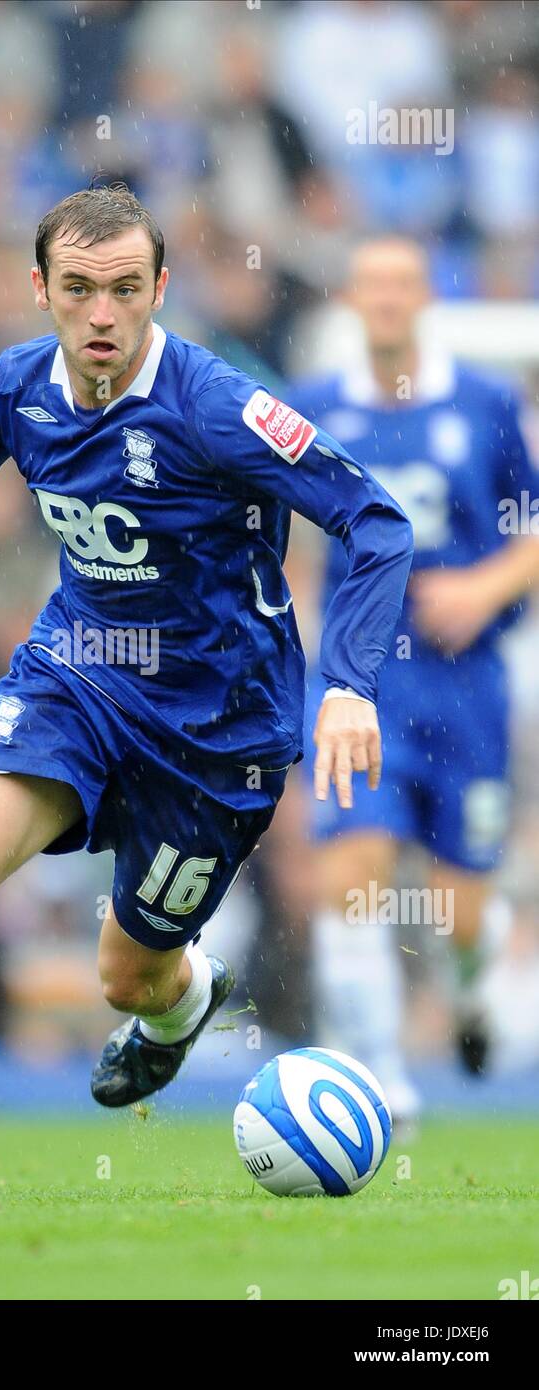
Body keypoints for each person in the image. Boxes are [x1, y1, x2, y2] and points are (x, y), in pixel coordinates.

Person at [0, 186, 412, 1195]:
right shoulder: (12, 391)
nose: (100, 314)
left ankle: (178, 1003)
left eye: (121, 289)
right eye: (76, 289)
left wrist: (349, 686)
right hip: (78, 674)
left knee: (129, 975)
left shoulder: (219, 405)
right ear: (40, 289)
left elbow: (374, 521)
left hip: (217, 729)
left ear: (159, 287)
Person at [290, 237, 539, 1126]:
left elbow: (533, 529)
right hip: (361, 690)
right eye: (371, 285)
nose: (387, 300)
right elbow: (277, 533)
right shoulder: (313, 410)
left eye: (403, 284)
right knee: (351, 871)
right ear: (351, 300)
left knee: (461, 911)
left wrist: (483, 585)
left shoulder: (483, 404)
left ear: (425, 296)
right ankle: (380, 1082)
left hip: (466, 689)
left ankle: (472, 987)